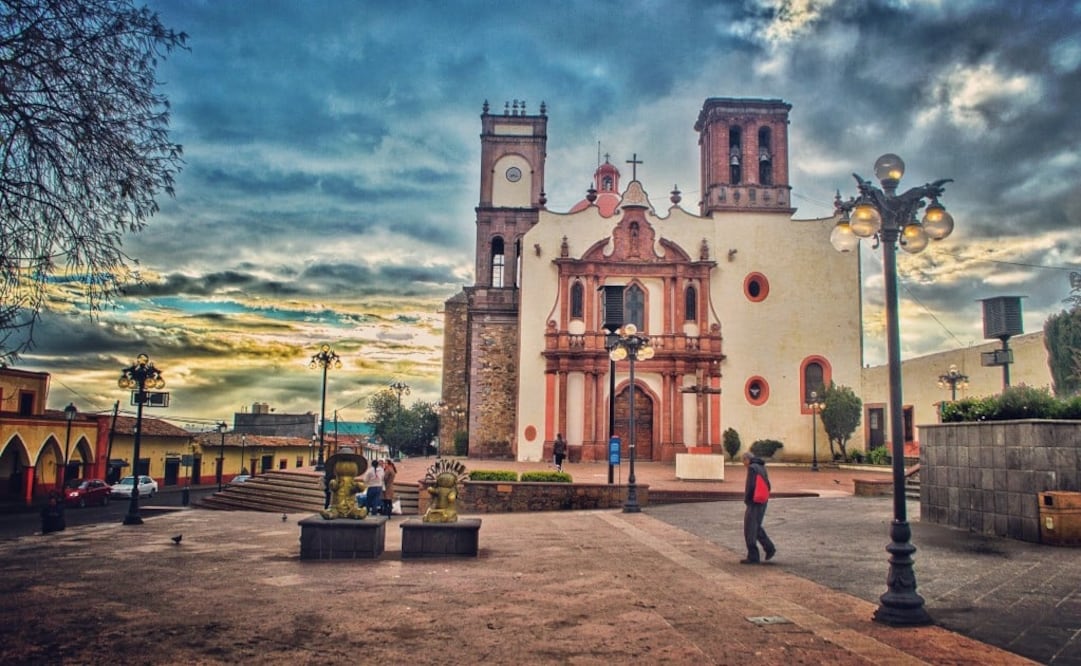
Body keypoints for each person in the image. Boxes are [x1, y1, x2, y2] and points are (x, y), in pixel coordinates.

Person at [740, 451, 776, 564]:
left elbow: (749, 486)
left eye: (743, 462)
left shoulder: (752, 468)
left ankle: (754, 556)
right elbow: (768, 485)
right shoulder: (761, 467)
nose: (744, 465)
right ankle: (769, 548)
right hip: (762, 500)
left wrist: (747, 499)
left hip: (754, 501)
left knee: (749, 528)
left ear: (747, 459)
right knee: (756, 526)